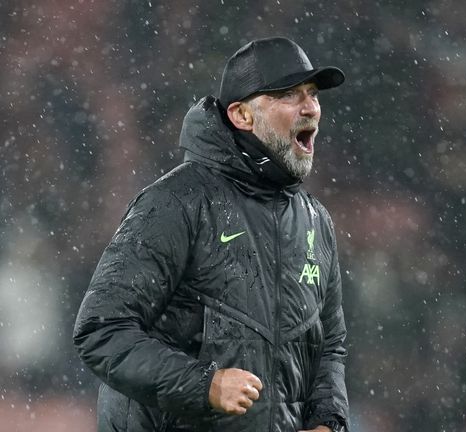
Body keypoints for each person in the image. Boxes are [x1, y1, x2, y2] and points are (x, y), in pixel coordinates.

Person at [73, 37, 349, 432]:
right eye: (289, 95)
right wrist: (204, 385)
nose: (311, 108)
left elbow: (329, 348)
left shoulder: (316, 222)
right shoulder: (175, 203)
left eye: (313, 95)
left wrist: (327, 420)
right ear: (241, 115)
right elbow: (100, 331)